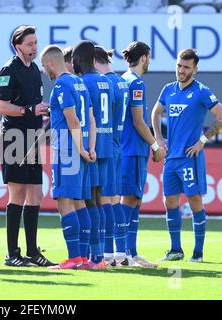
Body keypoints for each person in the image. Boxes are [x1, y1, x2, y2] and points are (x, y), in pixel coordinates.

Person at [151, 49, 222, 262]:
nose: (181, 70)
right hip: (171, 158)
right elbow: (155, 112)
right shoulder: (168, 90)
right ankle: (176, 250)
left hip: (189, 157)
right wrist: (158, 138)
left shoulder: (202, 91)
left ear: (195, 69)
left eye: (186, 67)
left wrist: (202, 141)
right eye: (179, 66)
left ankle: (198, 253)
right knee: (169, 202)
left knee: (194, 200)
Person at [0, 25, 55, 267]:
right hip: (14, 137)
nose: (34, 47)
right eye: (30, 43)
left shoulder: (34, 71)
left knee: (36, 194)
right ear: (18, 45)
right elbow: (1, 106)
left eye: (35, 43)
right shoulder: (9, 70)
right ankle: (12, 254)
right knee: (17, 194)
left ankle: (32, 252)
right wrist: (28, 110)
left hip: (32, 137)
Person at [40, 44, 98, 270]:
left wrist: (82, 149)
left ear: (52, 63)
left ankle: (74, 257)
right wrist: (90, 147)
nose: (45, 71)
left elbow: (73, 120)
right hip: (81, 150)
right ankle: (82, 257)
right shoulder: (80, 83)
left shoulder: (62, 84)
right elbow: (90, 119)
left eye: (45, 66)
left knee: (64, 202)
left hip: (68, 151)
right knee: (80, 203)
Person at [121, 41, 165, 267]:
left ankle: (129, 252)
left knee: (133, 198)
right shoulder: (136, 83)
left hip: (124, 148)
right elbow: (139, 121)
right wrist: (156, 146)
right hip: (133, 149)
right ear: (145, 57)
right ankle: (124, 253)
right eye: (149, 57)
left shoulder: (122, 79)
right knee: (130, 199)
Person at [72, 40, 112, 270]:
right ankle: (100, 254)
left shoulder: (81, 84)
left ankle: (93, 257)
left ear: (78, 60)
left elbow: (85, 118)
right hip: (106, 146)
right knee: (99, 200)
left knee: (88, 202)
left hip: (89, 147)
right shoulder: (107, 81)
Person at [94, 45, 129, 266]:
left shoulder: (104, 83)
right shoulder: (122, 82)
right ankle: (122, 252)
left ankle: (107, 254)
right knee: (115, 200)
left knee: (104, 200)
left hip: (105, 144)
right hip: (118, 143)